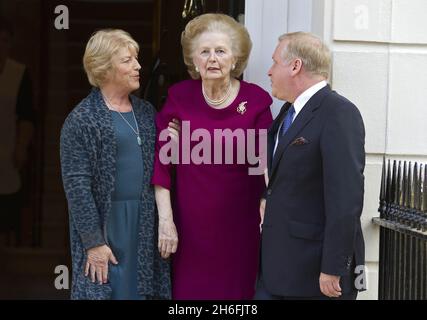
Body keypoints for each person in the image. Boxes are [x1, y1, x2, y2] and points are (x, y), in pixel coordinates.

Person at [152, 13, 273, 299]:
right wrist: (166, 221)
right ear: (193, 60)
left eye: (220, 51)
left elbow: (267, 161)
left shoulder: (255, 101)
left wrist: (269, 201)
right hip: (191, 229)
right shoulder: (180, 97)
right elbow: (161, 165)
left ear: (235, 58)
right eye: (204, 52)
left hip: (240, 228)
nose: (212, 59)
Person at [60, 29, 178, 300]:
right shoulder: (82, 119)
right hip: (107, 225)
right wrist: (93, 243)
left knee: (145, 291)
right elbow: (77, 186)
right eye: (127, 60)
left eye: (136, 58)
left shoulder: (147, 112)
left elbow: (164, 162)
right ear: (104, 68)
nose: (138, 66)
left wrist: (174, 140)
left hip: (144, 220)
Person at [255, 32, 365, 300]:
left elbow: (346, 198)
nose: (269, 71)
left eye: (274, 63)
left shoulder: (338, 112)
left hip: (316, 275)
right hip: (278, 268)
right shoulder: (287, 112)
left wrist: (333, 268)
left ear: (295, 66)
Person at [0, 17, 35, 246]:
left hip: (7, 148)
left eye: (4, 40)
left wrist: (21, 147)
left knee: (7, 209)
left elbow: (27, 116)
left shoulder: (19, 73)